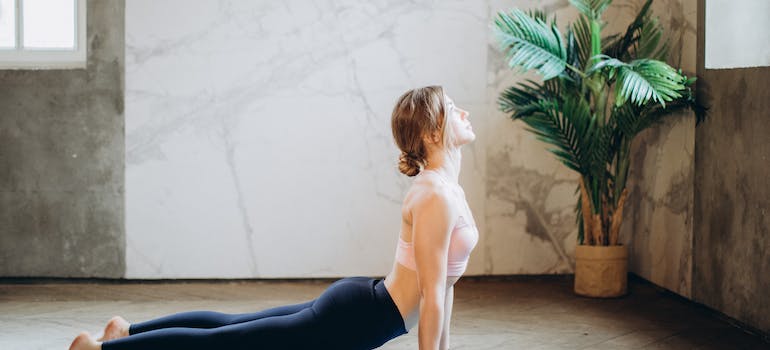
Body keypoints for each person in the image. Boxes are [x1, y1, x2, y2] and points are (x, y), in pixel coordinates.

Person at [69, 85, 478, 350]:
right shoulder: (435, 196)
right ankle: (101, 348)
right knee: (233, 341)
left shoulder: (446, 189)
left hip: (363, 304)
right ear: (432, 133)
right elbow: (432, 299)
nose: (464, 113)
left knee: (236, 327)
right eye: (454, 109)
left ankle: (125, 331)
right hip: (361, 316)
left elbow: (444, 287)